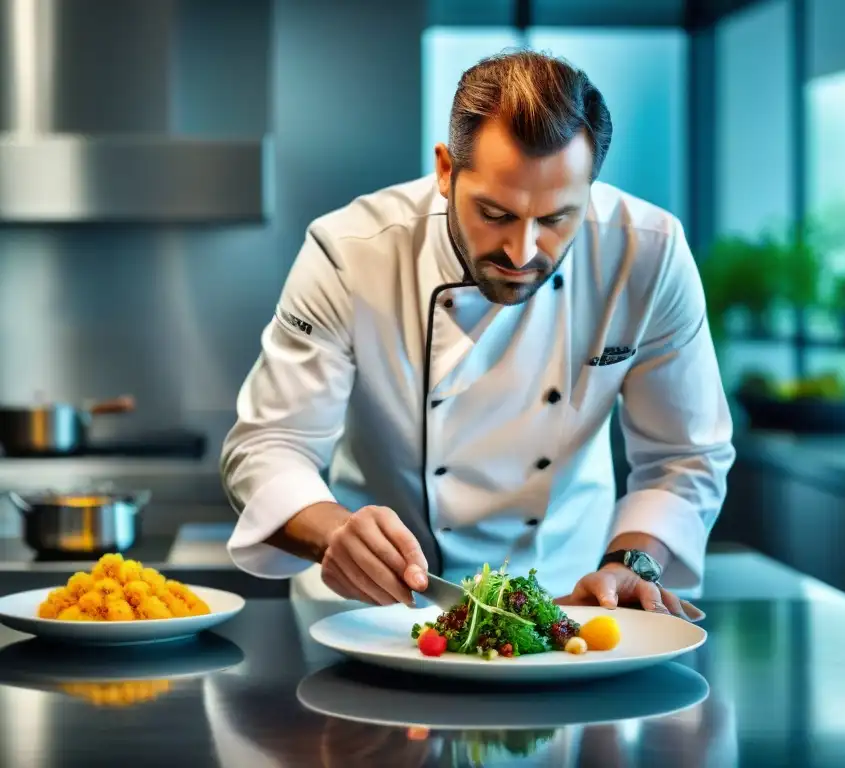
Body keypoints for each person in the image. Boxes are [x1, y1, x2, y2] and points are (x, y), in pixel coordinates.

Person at [221, 50, 735, 619]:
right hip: (373, 609)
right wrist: (333, 533)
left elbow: (684, 456)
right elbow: (268, 444)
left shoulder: (647, 253)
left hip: (567, 607)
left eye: (557, 219)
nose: (521, 251)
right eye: (495, 214)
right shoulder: (351, 252)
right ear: (445, 171)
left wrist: (628, 568)